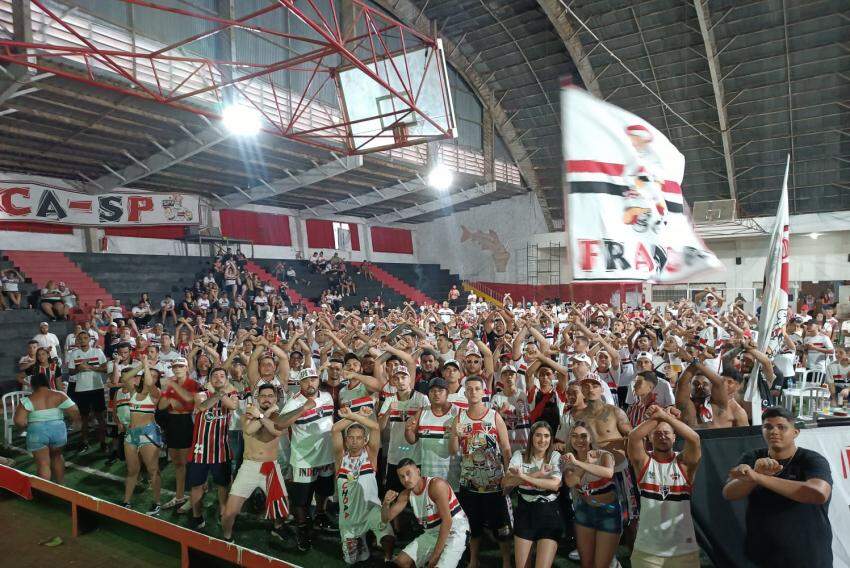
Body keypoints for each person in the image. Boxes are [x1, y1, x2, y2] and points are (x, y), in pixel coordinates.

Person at [723, 406, 833, 568]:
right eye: (768, 427)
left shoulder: (811, 459)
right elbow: (729, 492)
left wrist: (759, 477)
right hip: (763, 556)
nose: (774, 431)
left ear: (795, 433)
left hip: (808, 556)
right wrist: (754, 475)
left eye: (781, 427)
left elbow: (818, 494)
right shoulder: (752, 457)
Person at [221, 383, 306, 542]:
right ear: (257, 398)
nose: (267, 399)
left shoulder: (278, 416)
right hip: (249, 467)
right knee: (229, 513)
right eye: (263, 396)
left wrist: (261, 415)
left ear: (276, 398)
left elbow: (276, 431)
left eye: (270, 396)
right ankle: (226, 538)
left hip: (270, 466)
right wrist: (264, 413)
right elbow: (249, 430)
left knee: (282, 509)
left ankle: (278, 527)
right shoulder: (247, 414)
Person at [449, 374, 513, 568]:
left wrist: (508, 477)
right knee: (472, 524)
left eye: (477, 388)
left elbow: (506, 448)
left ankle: (506, 561)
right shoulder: (458, 418)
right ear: (465, 392)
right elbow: (452, 451)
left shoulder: (494, 416)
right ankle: (473, 559)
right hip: (469, 482)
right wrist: (454, 435)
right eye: (469, 389)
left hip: (494, 482)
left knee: (501, 526)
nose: (473, 392)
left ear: (484, 391)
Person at [628, 405, 701, 567]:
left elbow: (694, 439)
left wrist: (666, 417)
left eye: (667, 433)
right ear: (649, 438)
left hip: (683, 550)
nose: (662, 437)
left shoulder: (684, 464)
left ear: (675, 437)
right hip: (647, 551)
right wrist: (659, 417)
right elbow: (633, 438)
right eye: (657, 433)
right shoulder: (644, 463)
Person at [279, 367, 337, 550]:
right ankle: (302, 528)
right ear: (300, 383)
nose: (310, 383)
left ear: (318, 381)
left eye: (313, 379)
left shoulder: (327, 397)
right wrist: (303, 408)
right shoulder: (293, 402)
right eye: (306, 380)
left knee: (324, 491)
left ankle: (320, 514)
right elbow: (279, 424)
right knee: (300, 499)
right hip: (304, 458)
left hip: (326, 456)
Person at [332, 405, 395, 565]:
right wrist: (356, 415)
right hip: (349, 518)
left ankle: (388, 559)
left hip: (371, 511)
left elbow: (374, 427)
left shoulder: (371, 455)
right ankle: (362, 540)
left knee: (387, 535)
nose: (354, 441)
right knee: (352, 560)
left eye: (359, 437)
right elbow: (334, 429)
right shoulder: (341, 458)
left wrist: (355, 416)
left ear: (365, 439)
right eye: (351, 437)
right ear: (346, 440)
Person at [381, 458, 470, 568]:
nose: (406, 479)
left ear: (418, 471)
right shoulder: (405, 494)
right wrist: (386, 503)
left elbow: (447, 521)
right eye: (402, 477)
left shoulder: (436, 485)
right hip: (432, 534)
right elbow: (386, 519)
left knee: (435, 564)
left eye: (409, 474)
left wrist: (435, 555)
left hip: (455, 531)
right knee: (401, 563)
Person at [502, 421, 563, 568]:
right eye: (538, 435)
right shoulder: (520, 455)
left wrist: (523, 477)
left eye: (547, 436)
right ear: (531, 437)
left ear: (551, 438)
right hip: (525, 513)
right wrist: (539, 474)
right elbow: (505, 482)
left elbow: (554, 485)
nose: (543, 440)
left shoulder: (555, 456)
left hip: (549, 513)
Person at [562, 421, 620, 568]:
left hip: (608, 512)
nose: (579, 440)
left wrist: (580, 463)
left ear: (591, 438)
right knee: (586, 564)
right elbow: (571, 481)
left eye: (583, 436)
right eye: (574, 436)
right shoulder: (570, 461)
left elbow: (608, 472)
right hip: (584, 511)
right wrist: (583, 461)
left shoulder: (604, 455)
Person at [187, 367, 238, 530]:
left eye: (222, 376)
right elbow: (202, 407)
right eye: (214, 376)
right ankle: (196, 516)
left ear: (227, 380)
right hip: (200, 450)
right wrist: (218, 393)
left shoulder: (232, 396)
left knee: (223, 485)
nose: (218, 378)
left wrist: (221, 393)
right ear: (209, 380)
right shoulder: (201, 393)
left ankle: (223, 512)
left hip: (221, 449)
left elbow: (232, 406)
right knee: (196, 485)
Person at [13, 373, 80, 482]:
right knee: (57, 457)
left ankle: (46, 493)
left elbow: (19, 421)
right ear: (47, 382)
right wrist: (76, 423)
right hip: (58, 430)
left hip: (37, 431)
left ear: (32, 385)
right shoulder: (59, 395)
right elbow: (74, 411)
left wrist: (25, 428)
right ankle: (60, 487)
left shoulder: (27, 399)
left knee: (43, 463)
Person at [120, 356, 163, 515]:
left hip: (148, 434)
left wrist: (146, 366)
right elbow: (125, 377)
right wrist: (141, 365)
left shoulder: (155, 393)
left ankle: (157, 502)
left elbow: (150, 383)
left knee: (153, 470)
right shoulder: (133, 391)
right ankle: (126, 501)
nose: (150, 377)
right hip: (131, 434)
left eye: (154, 375)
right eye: (148, 374)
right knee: (132, 470)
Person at [158, 357, 201, 512]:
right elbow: (162, 405)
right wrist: (171, 397)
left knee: (188, 463)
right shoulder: (172, 384)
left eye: (180, 366)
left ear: (186, 368)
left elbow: (190, 400)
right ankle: (179, 495)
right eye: (174, 366)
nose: (177, 369)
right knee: (177, 462)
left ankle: (193, 496)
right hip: (173, 423)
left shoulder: (193, 383)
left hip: (186, 423)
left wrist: (173, 388)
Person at [67, 330, 108, 452]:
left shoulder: (97, 351)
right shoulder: (74, 354)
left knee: (100, 417)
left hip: (96, 388)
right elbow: (70, 372)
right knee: (84, 417)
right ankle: (84, 442)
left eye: (86, 337)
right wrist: (79, 369)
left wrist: (90, 367)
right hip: (81, 389)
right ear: (78, 340)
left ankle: (103, 443)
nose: (83, 340)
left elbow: (105, 369)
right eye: (81, 338)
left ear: (90, 339)